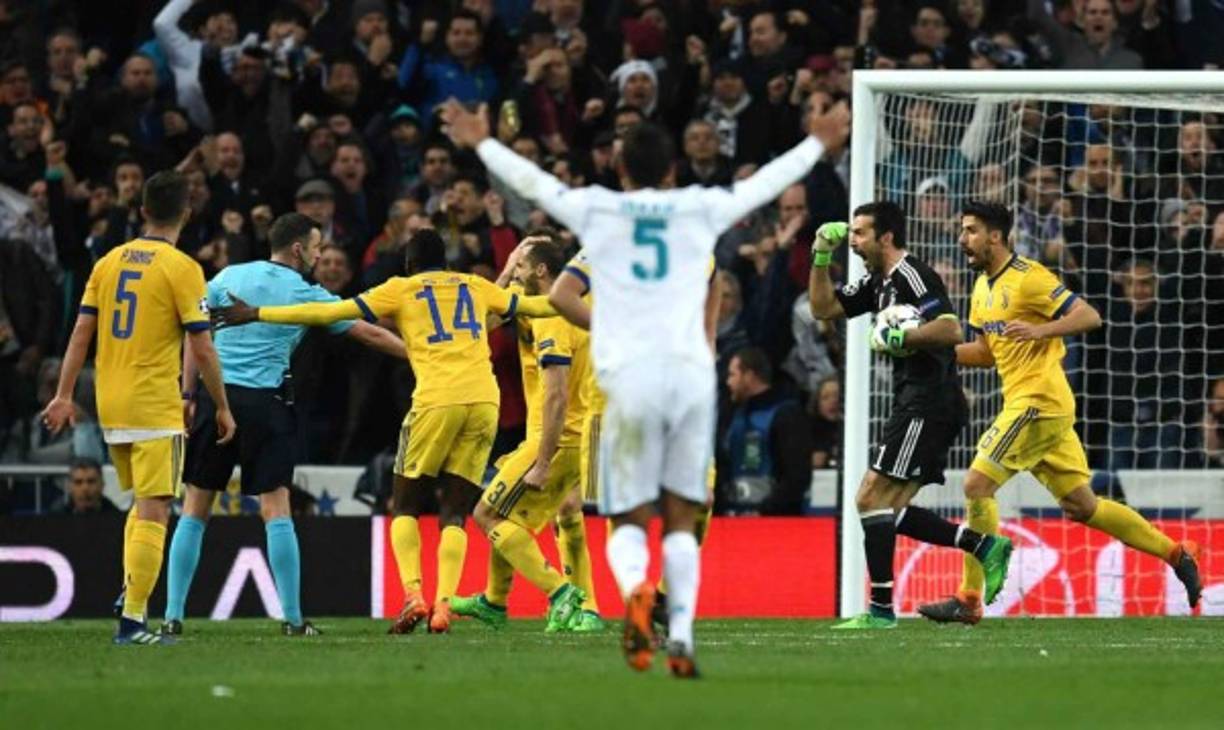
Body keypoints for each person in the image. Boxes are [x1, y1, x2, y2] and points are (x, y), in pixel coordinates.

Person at [440, 93, 849, 677]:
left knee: (627, 519)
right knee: (682, 517)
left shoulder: (599, 213)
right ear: (673, 169)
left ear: (620, 168)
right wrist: (818, 142)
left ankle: (633, 590)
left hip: (627, 380)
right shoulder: (697, 208)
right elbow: (765, 184)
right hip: (687, 378)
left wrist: (482, 141)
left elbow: (534, 187)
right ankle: (678, 634)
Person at [211, 228, 555, 635]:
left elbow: (328, 313)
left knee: (405, 504)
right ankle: (444, 603)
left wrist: (257, 314)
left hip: (436, 402)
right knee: (455, 512)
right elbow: (536, 305)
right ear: (446, 262)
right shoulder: (475, 286)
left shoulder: (402, 288)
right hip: (484, 403)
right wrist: (595, 301)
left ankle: (414, 595)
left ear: (409, 264)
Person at [919, 201, 1202, 624]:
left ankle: (970, 598)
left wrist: (1041, 329)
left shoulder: (1030, 278)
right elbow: (985, 352)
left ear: (995, 236)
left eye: (971, 230)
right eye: (963, 230)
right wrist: (929, 352)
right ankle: (1178, 554)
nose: (963, 239)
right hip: (1030, 405)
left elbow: (1089, 315)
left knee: (977, 483)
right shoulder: (981, 289)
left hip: (1039, 401)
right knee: (1082, 506)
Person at [163, 213, 406, 637]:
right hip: (265, 405)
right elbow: (371, 335)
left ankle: (171, 616)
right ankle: (293, 620)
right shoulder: (305, 293)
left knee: (194, 508)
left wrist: (187, 394)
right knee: (276, 510)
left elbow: (195, 334)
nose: (318, 254)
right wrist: (427, 359)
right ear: (298, 249)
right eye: (315, 247)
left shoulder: (226, 276)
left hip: (212, 400)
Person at [41, 170, 235, 645]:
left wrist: (65, 394)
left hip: (111, 400)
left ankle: (131, 588)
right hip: (154, 400)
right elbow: (203, 347)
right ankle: (132, 621)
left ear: (142, 210)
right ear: (186, 214)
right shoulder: (182, 268)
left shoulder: (107, 262)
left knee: (140, 504)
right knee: (155, 508)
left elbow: (81, 334)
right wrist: (222, 406)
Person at [808, 202, 1011, 630]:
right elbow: (822, 309)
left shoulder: (912, 275)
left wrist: (904, 335)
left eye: (860, 234)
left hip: (929, 401)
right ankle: (982, 547)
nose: (854, 241)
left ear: (886, 237)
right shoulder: (877, 282)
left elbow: (952, 329)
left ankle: (882, 611)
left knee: (869, 498)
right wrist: (821, 256)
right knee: (885, 508)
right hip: (915, 402)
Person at [450, 232, 596, 633]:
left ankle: (562, 593)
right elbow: (479, 323)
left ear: (542, 270)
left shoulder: (552, 317)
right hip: (577, 432)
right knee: (516, 518)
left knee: (486, 514)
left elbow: (556, 395)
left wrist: (543, 461)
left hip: (555, 438)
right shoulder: (560, 304)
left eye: (521, 266)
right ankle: (495, 602)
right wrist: (507, 265)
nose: (515, 272)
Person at [722, 347, 813, 516]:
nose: (728, 382)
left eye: (732, 375)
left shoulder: (787, 415)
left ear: (749, 376)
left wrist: (765, 510)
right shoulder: (733, 416)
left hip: (777, 523)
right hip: (734, 520)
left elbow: (797, 477)